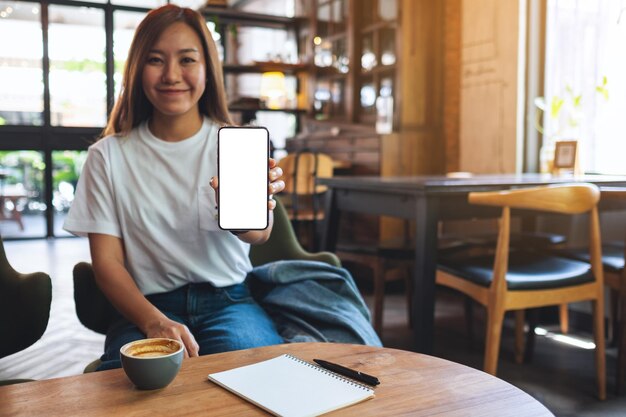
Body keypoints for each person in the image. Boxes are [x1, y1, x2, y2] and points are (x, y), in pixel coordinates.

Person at [63, 4, 285, 370]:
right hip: (147, 307)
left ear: (206, 68)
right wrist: (153, 321)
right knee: (136, 392)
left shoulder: (234, 143)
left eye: (186, 60)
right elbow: (107, 263)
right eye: (155, 60)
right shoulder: (107, 157)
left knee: (260, 380)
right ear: (137, 68)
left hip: (230, 302)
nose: (171, 75)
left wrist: (250, 216)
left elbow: (259, 235)